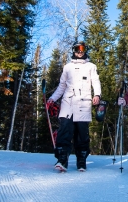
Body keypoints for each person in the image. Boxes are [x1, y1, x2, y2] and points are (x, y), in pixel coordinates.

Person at [47, 41, 101, 172]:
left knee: (82, 133)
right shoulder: (68, 67)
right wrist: (52, 99)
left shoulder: (91, 66)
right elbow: (61, 86)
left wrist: (97, 95)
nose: (80, 51)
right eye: (77, 49)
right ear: (73, 50)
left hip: (83, 103)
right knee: (65, 130)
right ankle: (62, 160)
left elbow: (95, 81)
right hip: (68, 102)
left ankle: (81, 160)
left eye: (83, 48)